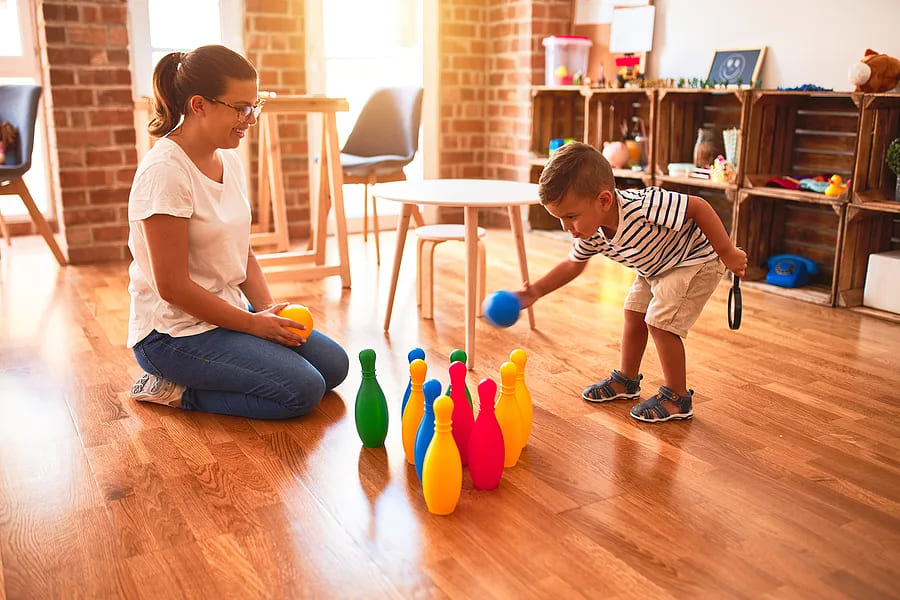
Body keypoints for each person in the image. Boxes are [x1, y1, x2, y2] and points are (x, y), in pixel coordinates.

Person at [126, 45, 348, 419]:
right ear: (199, 105)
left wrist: (268, 314)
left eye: (254, 105)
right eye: (241, 108)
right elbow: (173, 287)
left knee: (333, 365)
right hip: (171, 335)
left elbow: (241, 251)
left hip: (224, 313)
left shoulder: (228, 158)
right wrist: (252, 326)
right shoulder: (165, 172)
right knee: (303, 390)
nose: (251, 118)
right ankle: (173, 390)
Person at [517, 142, 747, 423]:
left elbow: (698, 207)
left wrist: (728, 253)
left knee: (660, 322)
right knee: (634, 312)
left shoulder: (645, 206)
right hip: (656, 267)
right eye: (561, 219)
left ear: (604, 200)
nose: (567, 228)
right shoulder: (591, 232)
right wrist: (537, 291)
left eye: (571, 217)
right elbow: (572, 264)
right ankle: (627, 380)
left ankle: (678, 397)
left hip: (695, 260)